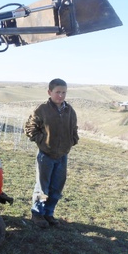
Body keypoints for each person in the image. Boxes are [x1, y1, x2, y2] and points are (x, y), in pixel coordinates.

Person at [24, 78, 79, 228]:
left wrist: (72, 140)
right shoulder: (41, 109)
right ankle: (38, 214)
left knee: (57, 187)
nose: (61, 96)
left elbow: (74, 128)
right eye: (57, 92)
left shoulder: (69, 110)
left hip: (62, 155)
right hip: (45, 155)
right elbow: (30, 128)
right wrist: (43, 142)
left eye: (64, 92)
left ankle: (48, 213)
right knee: (43, 186)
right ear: (50, 92)